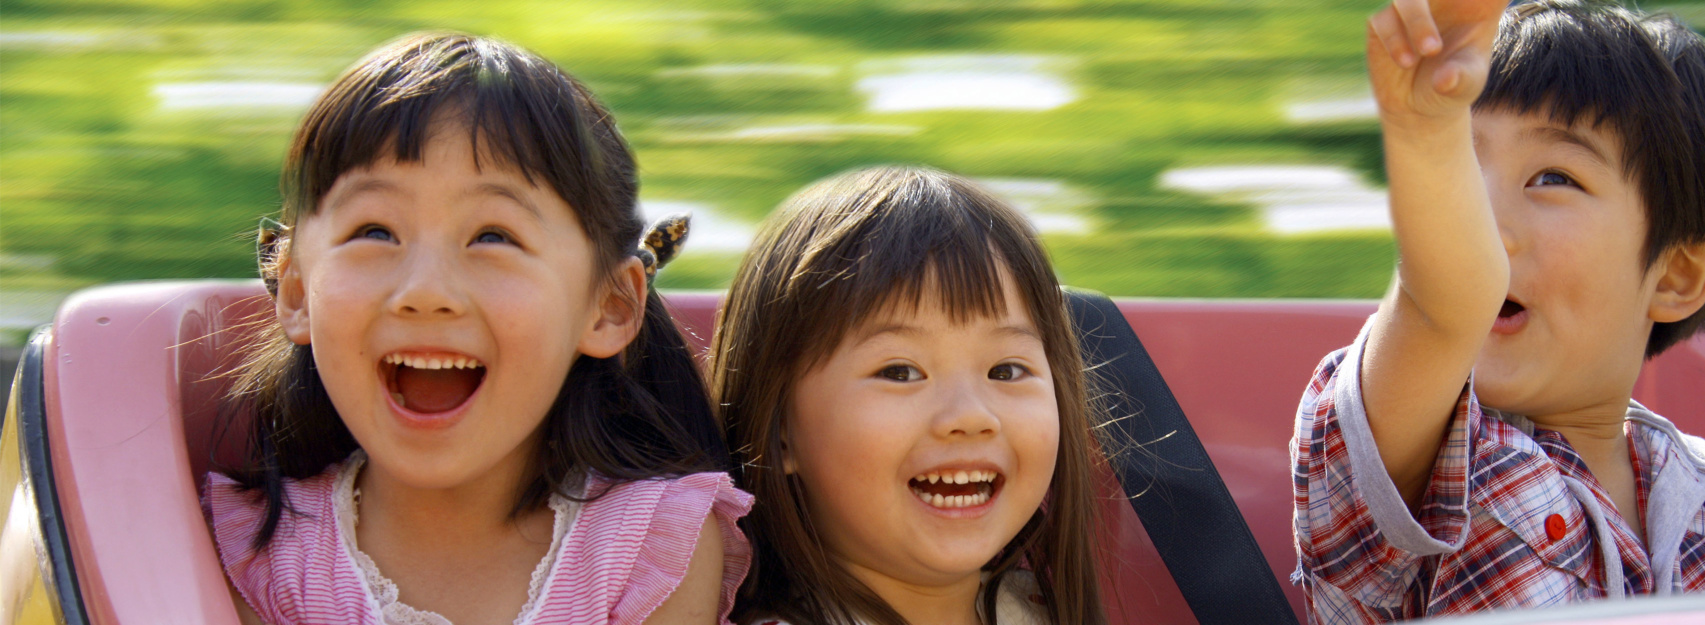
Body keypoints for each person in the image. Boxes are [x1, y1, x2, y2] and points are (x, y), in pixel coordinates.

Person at [1290, 0, 1705, 622]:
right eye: (1463, 169)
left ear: (1678, 274)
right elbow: (1443, 302)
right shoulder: (1427, 455)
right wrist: (1422, 133)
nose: (1485, 220)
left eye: (1553, 177)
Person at [205, 32, 752, 625]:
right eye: (374, 232)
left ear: (609, 307)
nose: (426, 293)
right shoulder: (261, 556)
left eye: (493, 237)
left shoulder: (647, 548)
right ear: (294, 291)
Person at [709, 166, 1108, 625]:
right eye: (900, 372)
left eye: (1006, 370)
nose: (971, 415)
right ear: (780, 431)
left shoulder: (1035, 609)